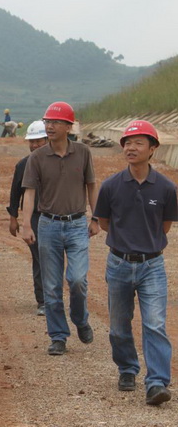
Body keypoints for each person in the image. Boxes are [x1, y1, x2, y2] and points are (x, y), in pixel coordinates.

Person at [94, 120, 177, 406]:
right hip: (118, 263)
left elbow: (164, 227)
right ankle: (127, 368)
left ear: (153, 149)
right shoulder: (111, 186)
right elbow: (104, 223)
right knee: (119, 326)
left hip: (152, 266)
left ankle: (156, 383)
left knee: (155, 324)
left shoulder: (166, 188)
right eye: (127, 143)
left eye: (139, 143)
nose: (131, 147)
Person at [21, 101, 99, 356]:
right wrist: (26, 224)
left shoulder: (83, 152)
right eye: (48, 122)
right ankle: (58, 336)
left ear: (68, 126)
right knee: (52, 286)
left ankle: (80, 319)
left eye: (55, 122)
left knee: (77, 279)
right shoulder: (37, 157)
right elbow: (29, 193)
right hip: (48, 226)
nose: (50, 126)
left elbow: (91, 185)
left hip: (77, 224)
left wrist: (96, 218)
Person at [6, 121, 49, 316]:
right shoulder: (23, 165)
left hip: (55, 217)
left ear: (47, 140)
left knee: (54, 258)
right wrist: (13, 218)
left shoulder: (57, 163)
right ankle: (43, 300)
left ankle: (53, 296)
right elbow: (15, 193)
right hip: (34, 218)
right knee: (39, 258)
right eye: (32, 141)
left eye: (38, 141)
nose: (34, 145)